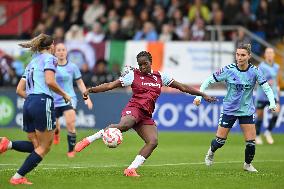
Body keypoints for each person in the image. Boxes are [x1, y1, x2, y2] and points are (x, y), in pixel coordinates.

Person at [74, 51, 217, 177]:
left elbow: (182, 87)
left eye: (145, 64)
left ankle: (131, 169)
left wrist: (202, 94)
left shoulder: (160, 77)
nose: (143, 67)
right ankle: (89, 139)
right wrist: (90, 90)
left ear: (151, 63)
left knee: (153, 141)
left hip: (146, 115)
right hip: (134, 108)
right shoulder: (133, 75)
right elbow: (110, 85)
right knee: (125, 125)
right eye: (140, 65)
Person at [193, 43, 276, 172]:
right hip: (229, 110)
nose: (239, 57)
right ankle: (211, 151)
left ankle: (247, 165)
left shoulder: (255, 71)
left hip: (246, 111)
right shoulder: (228, 70)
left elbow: (266, 88)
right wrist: (199, 96)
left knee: (251, 142)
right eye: (237, 54)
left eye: (243, 55)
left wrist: (272, 102)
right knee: (220, 141)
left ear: (249, 56)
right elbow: (208, 81)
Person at [0, 34, 71, 185]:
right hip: (42, 101)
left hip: (28, 102)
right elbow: (50, 81)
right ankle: (17, 177)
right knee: (45, 147)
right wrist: (64, 94)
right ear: (51, 46)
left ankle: (8, 144)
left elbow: (19, 90)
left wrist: (32, 100)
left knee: (36, 145)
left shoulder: (32, 62)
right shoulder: (50, 59)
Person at [53, 43, 93, 158]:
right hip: (54, 99)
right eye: (58, 50)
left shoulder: (73, 67)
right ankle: (56, 132)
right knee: (54, 127)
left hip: (69, 98)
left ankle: (71, 150)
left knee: (70, 123)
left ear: (66, 52)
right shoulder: (51, 67)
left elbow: (80, 83)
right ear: (55, 52)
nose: (61, 52)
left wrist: (87, 98)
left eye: (63, 50)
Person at [255, 48, 280, 145]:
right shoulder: (261, 66)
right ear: (265, 55)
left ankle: (268, 132)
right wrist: (265, 83)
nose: (269, 54)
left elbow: (276, 79)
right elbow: (257, 79)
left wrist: (277, 90)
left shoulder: (276, 67)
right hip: (261, 95)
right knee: (260, 116)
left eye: (271, 52)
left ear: (274, 55)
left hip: (272, 94)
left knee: (276, 112)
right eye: (268, 53)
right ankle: (257, 135)